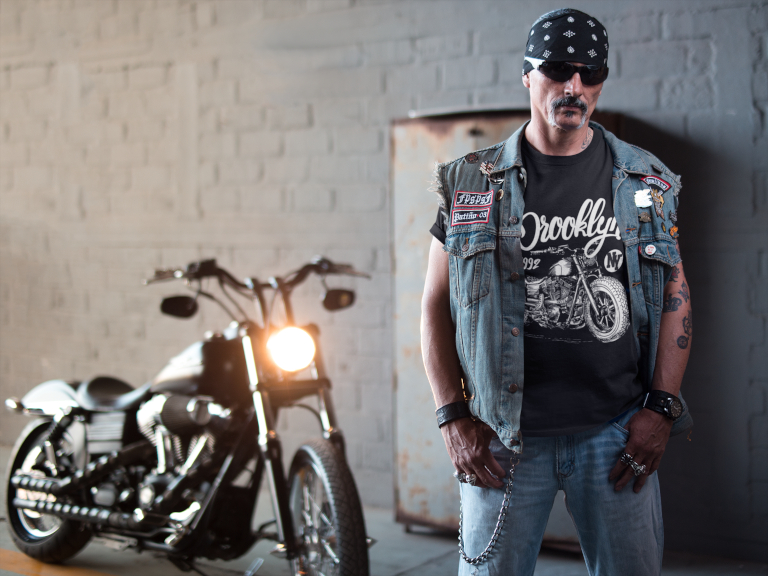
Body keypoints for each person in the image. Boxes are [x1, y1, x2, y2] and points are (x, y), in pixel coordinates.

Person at [420, 8, 693, 576]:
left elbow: (675, 294)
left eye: (589, 73)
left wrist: (662, 409)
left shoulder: (645, 178)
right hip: (503, 437)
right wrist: (452, 417)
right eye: (557, 69)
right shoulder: (473, 181)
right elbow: (433, 305)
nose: (574, 86)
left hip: (615, 431)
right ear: (527, 75)